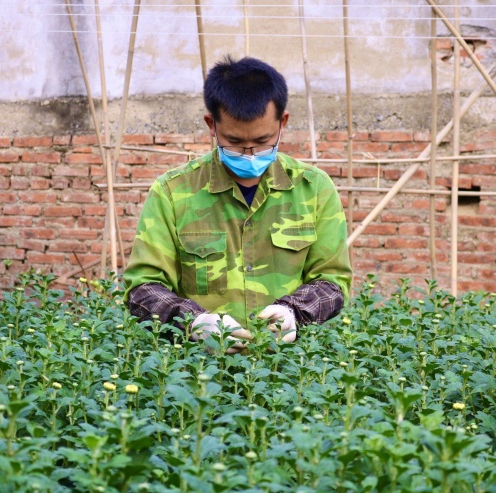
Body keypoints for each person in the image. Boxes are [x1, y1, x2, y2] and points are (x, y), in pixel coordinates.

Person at [123, 55, 352, 352]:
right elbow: (142, 289)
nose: (249, 153)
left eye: (262, 141)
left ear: (283, 123)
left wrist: (294, 312)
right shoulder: (172, 192)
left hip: (291, 373)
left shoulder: (314, 189)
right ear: (212, 125)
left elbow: (333, 281)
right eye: (233, 142)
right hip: (198, 375)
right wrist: (193, 322)